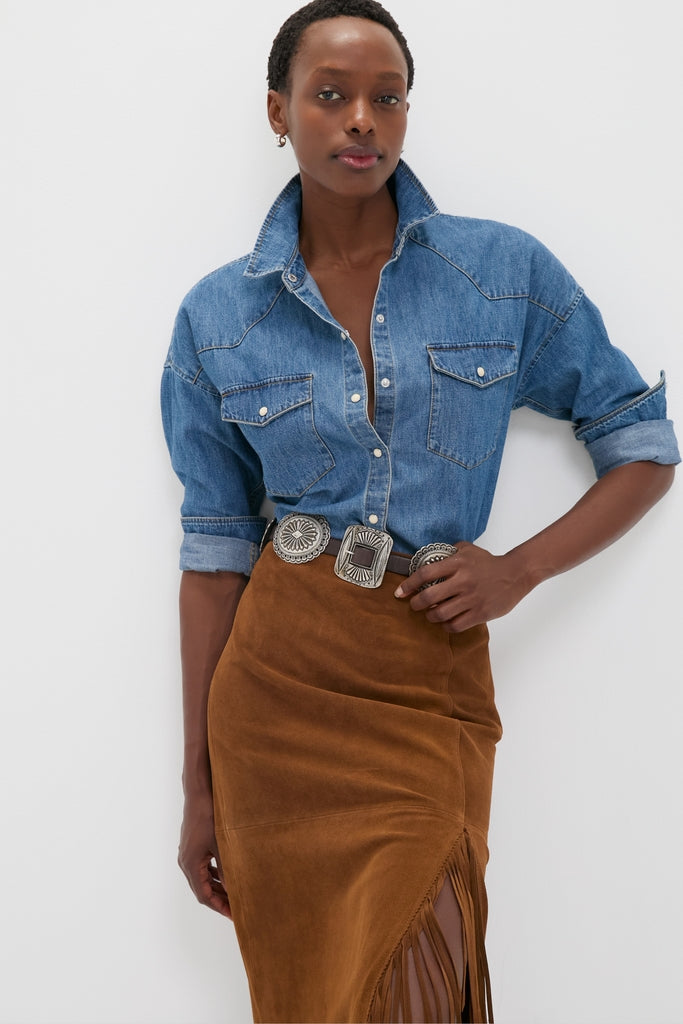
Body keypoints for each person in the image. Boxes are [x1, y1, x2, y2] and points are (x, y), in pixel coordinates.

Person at [161, 1, 679, 1021]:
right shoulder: (216, 316)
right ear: (278, 111)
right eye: (330, 96)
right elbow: (214, 553)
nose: (361, 119)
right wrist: (199, 786)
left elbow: (640, 444)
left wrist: (515, 569)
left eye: (384, 97)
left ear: (405, 114)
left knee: (425, 977)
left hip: (424, 670)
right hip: (277, 691)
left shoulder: (500, 273)